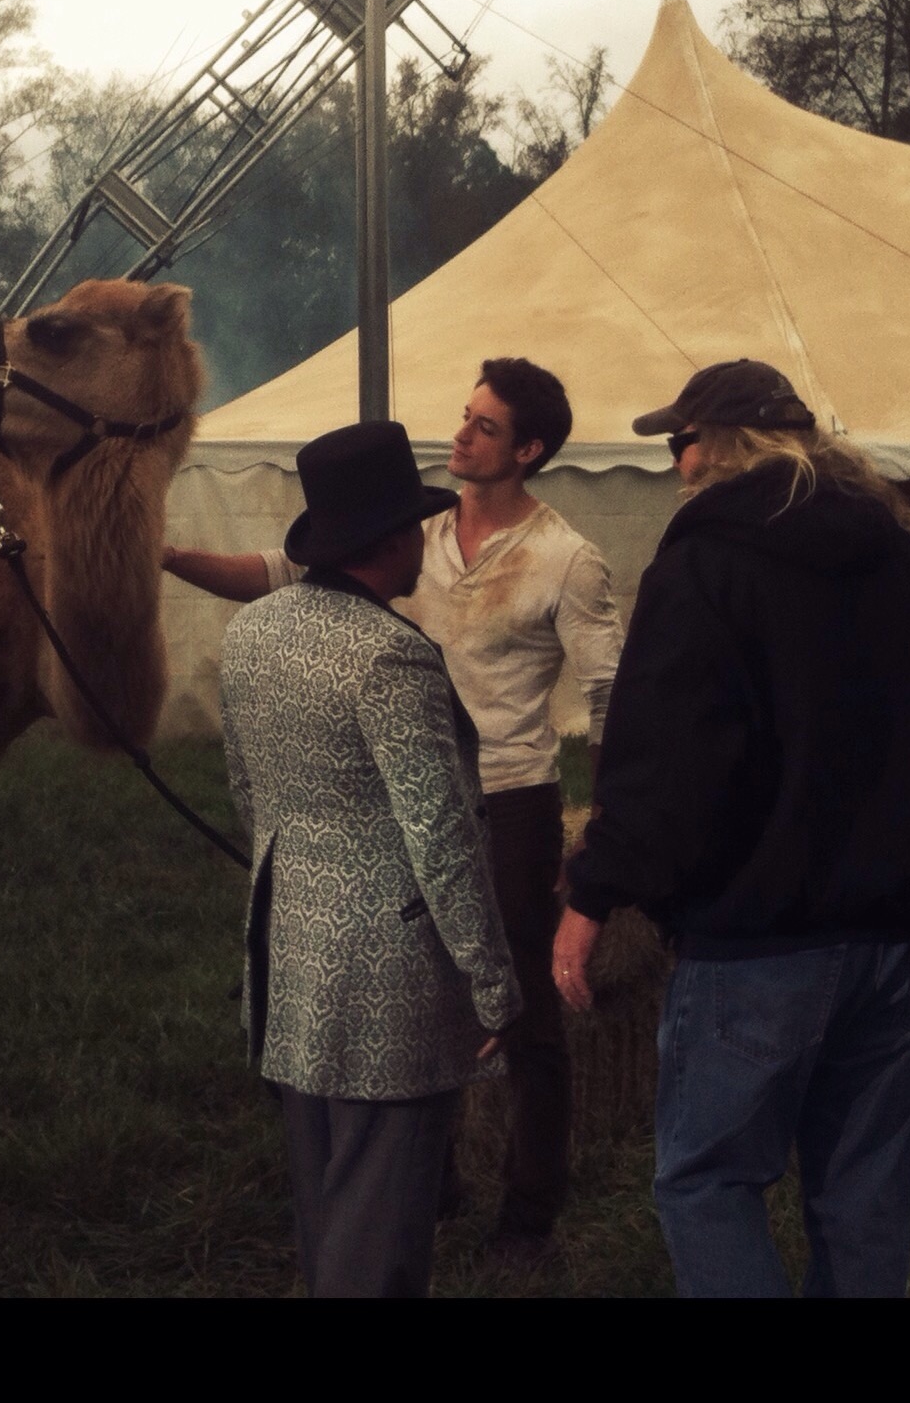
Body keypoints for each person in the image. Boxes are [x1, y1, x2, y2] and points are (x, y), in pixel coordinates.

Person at [551, 360, 910, 1298]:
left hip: (757, 943)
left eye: (681, 442)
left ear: (726, 449)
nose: (677, 464)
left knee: (707, 1178)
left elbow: (665, 755)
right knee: (864, 1193)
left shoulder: (702, 567)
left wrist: (593, 890)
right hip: (902, 941)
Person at [170, 358, 624, 1256]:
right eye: (463, 416)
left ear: (527, 449)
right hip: (385, 801)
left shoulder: (567, 558)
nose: (460, 434)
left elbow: (613, 694)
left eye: (484, 426)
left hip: (507, 798)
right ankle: (428, 1186)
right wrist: (160, 554)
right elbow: (278, 571)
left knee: (520, 1004)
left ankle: (527, 1211)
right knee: (420, 997)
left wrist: (602, 828)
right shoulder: (407, 532)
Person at [219, 419, 522, 1297]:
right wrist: (493, 981)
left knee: (327, 1212)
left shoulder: (255, 631)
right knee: (381, 1237)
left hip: (290, 955)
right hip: (388, 983)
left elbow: (249, 795)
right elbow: (443, 834)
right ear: (392, 541)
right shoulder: (391, 655)